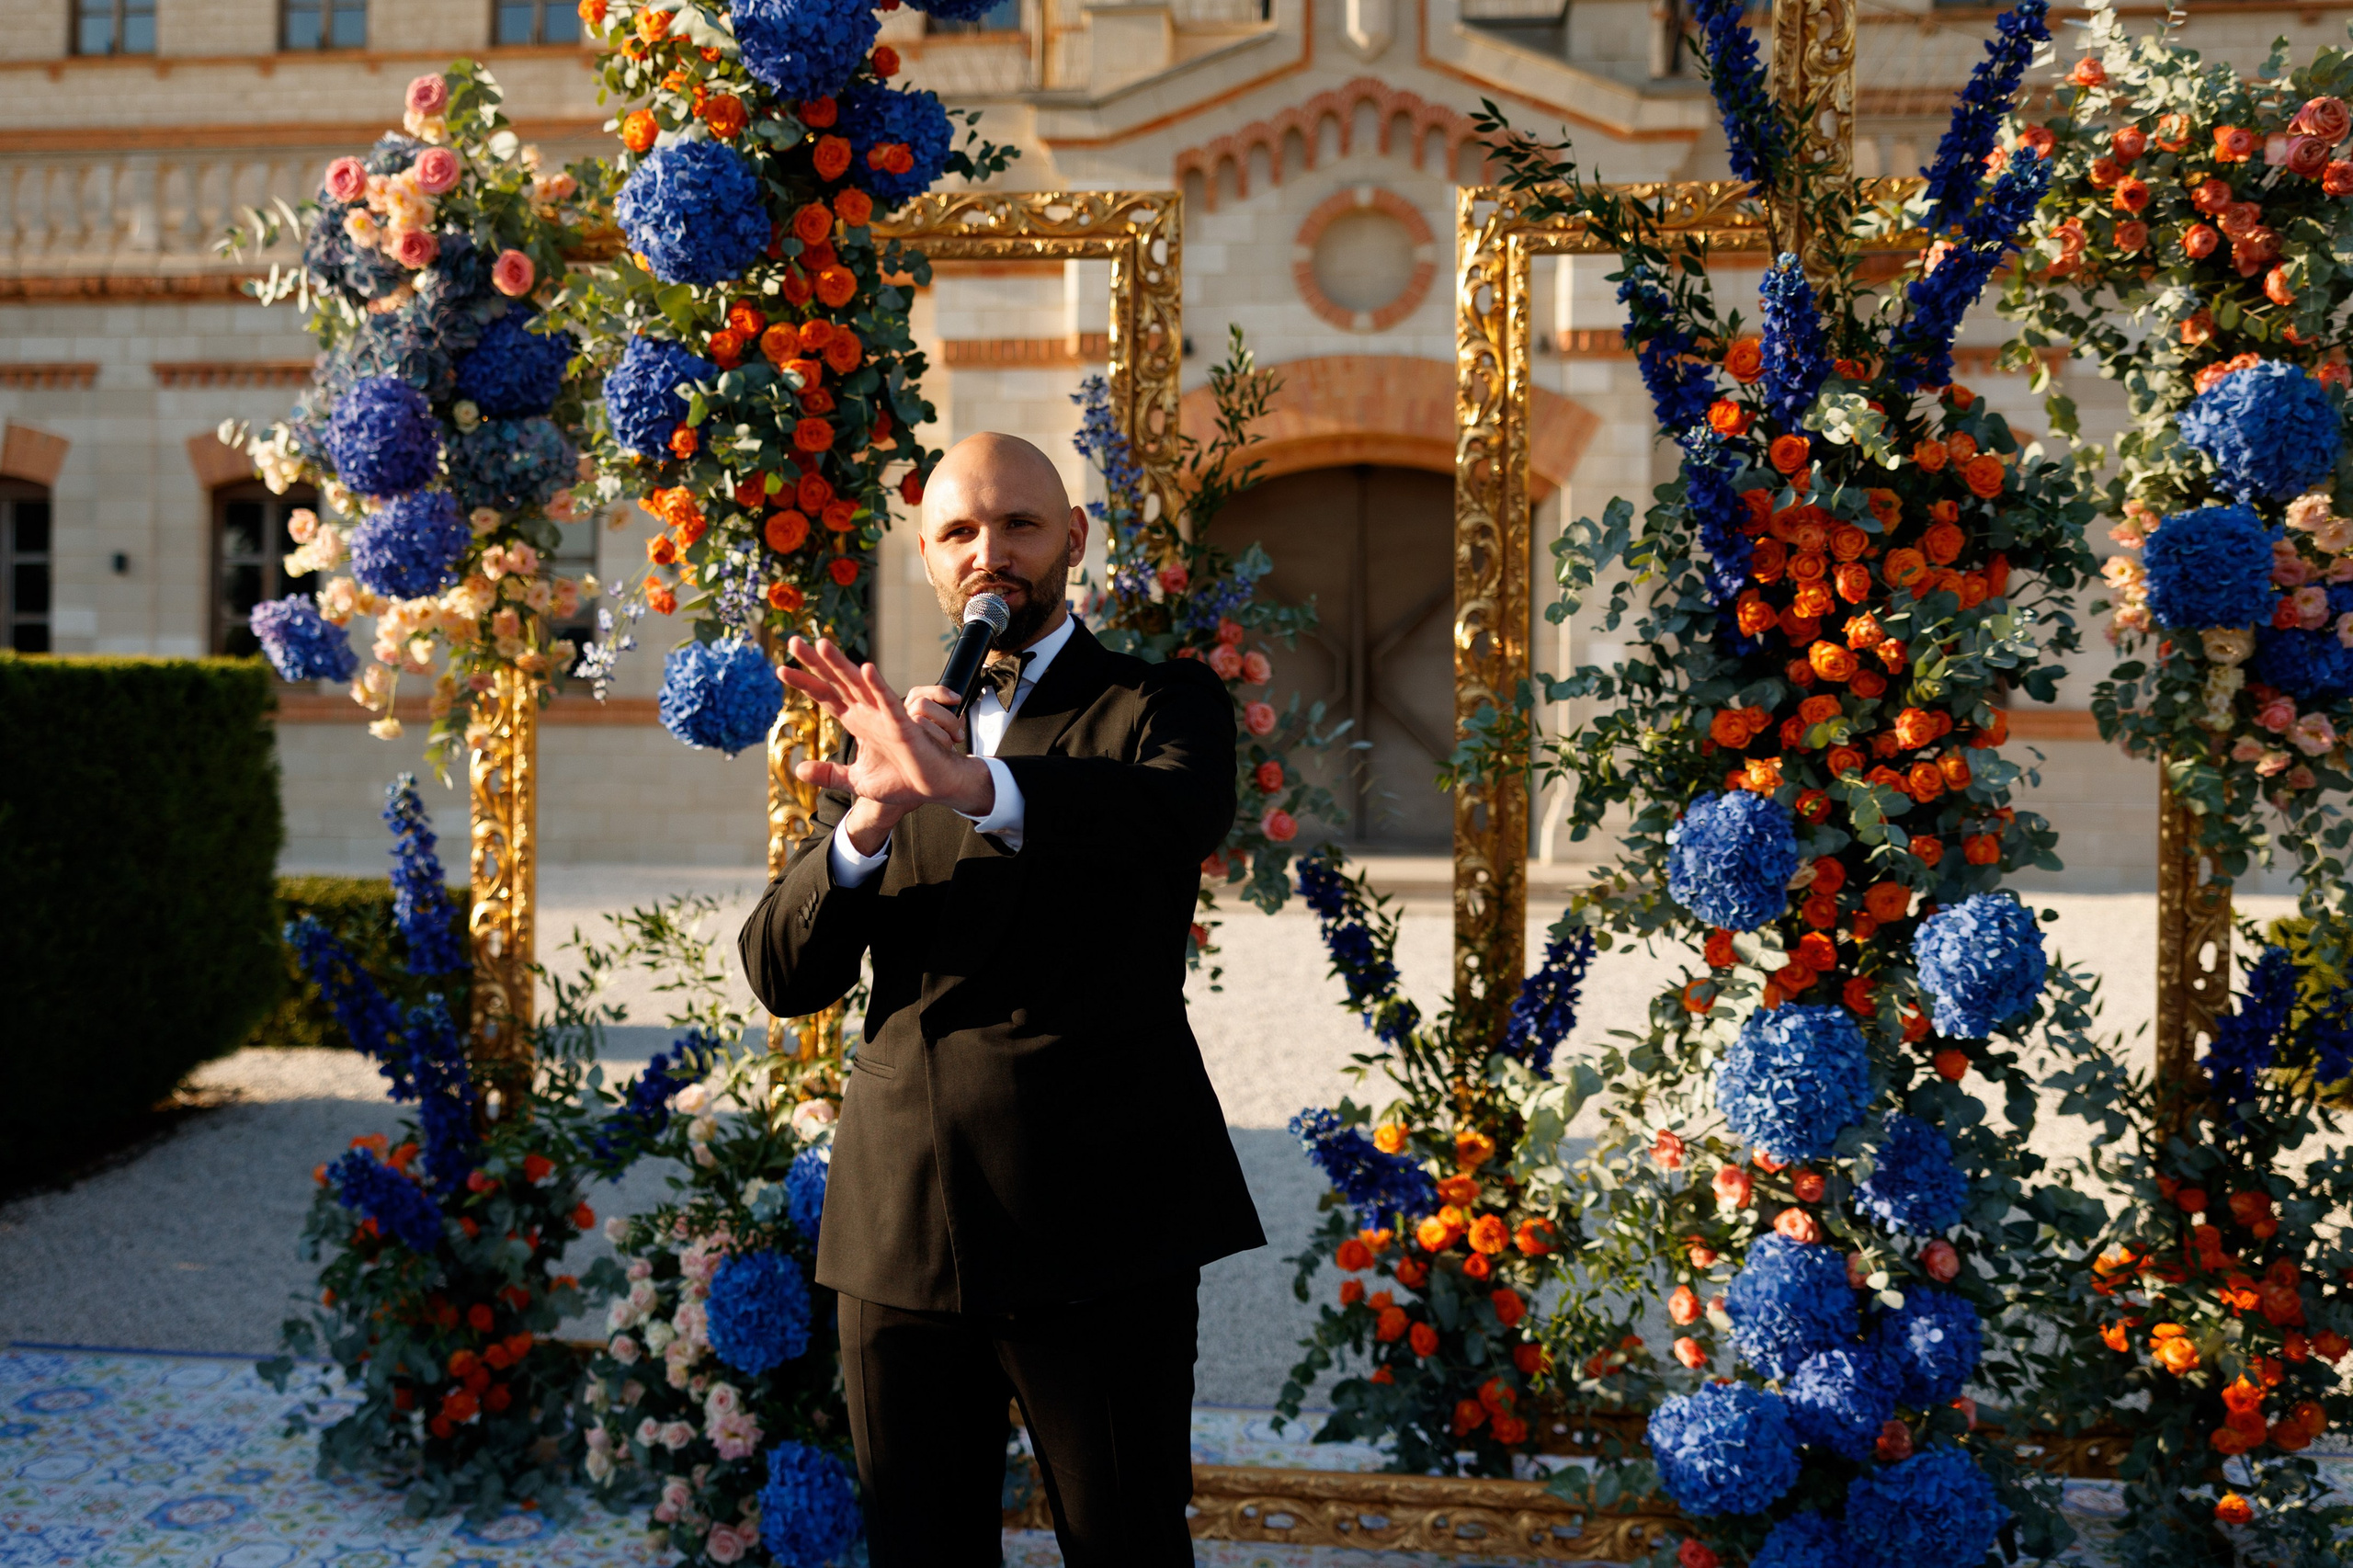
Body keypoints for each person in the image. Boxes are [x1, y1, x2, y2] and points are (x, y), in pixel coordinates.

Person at [738, 432, 1264, 1565]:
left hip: (1096, 1210)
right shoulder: (892, 740)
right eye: (960, 532)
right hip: (900, 1220)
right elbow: (785, 973)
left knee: (1121, 1541)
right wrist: (868, 822)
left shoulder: (1159, 701)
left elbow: (1166, 822)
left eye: (1020, 525)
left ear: (1073, 536)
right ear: (928, 555)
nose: (992, 554)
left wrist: (970, 784)